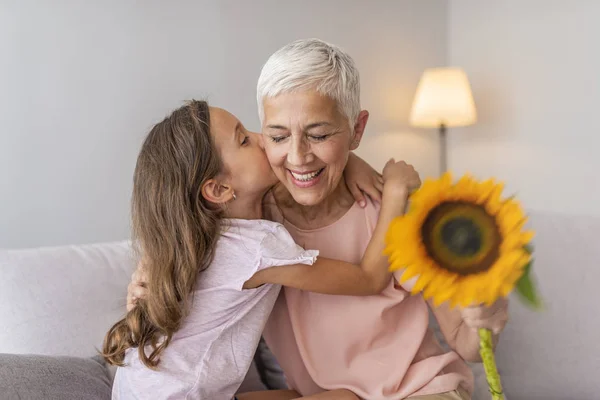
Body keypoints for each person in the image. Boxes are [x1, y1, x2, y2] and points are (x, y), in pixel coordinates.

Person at [129, 39, 509, 400]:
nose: (297, 157)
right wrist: (148, 273)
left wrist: (488, 310)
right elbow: (180, 221)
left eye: (320, 134)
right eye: (277, 136)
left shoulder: (400, 216)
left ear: (356, 130)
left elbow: (466, 342)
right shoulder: (256, 220)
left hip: (421, 390)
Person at [104, 99, 420, 400]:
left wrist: (350, 162)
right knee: (347, 398)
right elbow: (368, 279)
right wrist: (394, 193)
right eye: (243, 140)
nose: (262, 138)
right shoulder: (257, 247)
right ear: (218, 189)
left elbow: (307, 169)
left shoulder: (197, 235)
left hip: (139, 391)